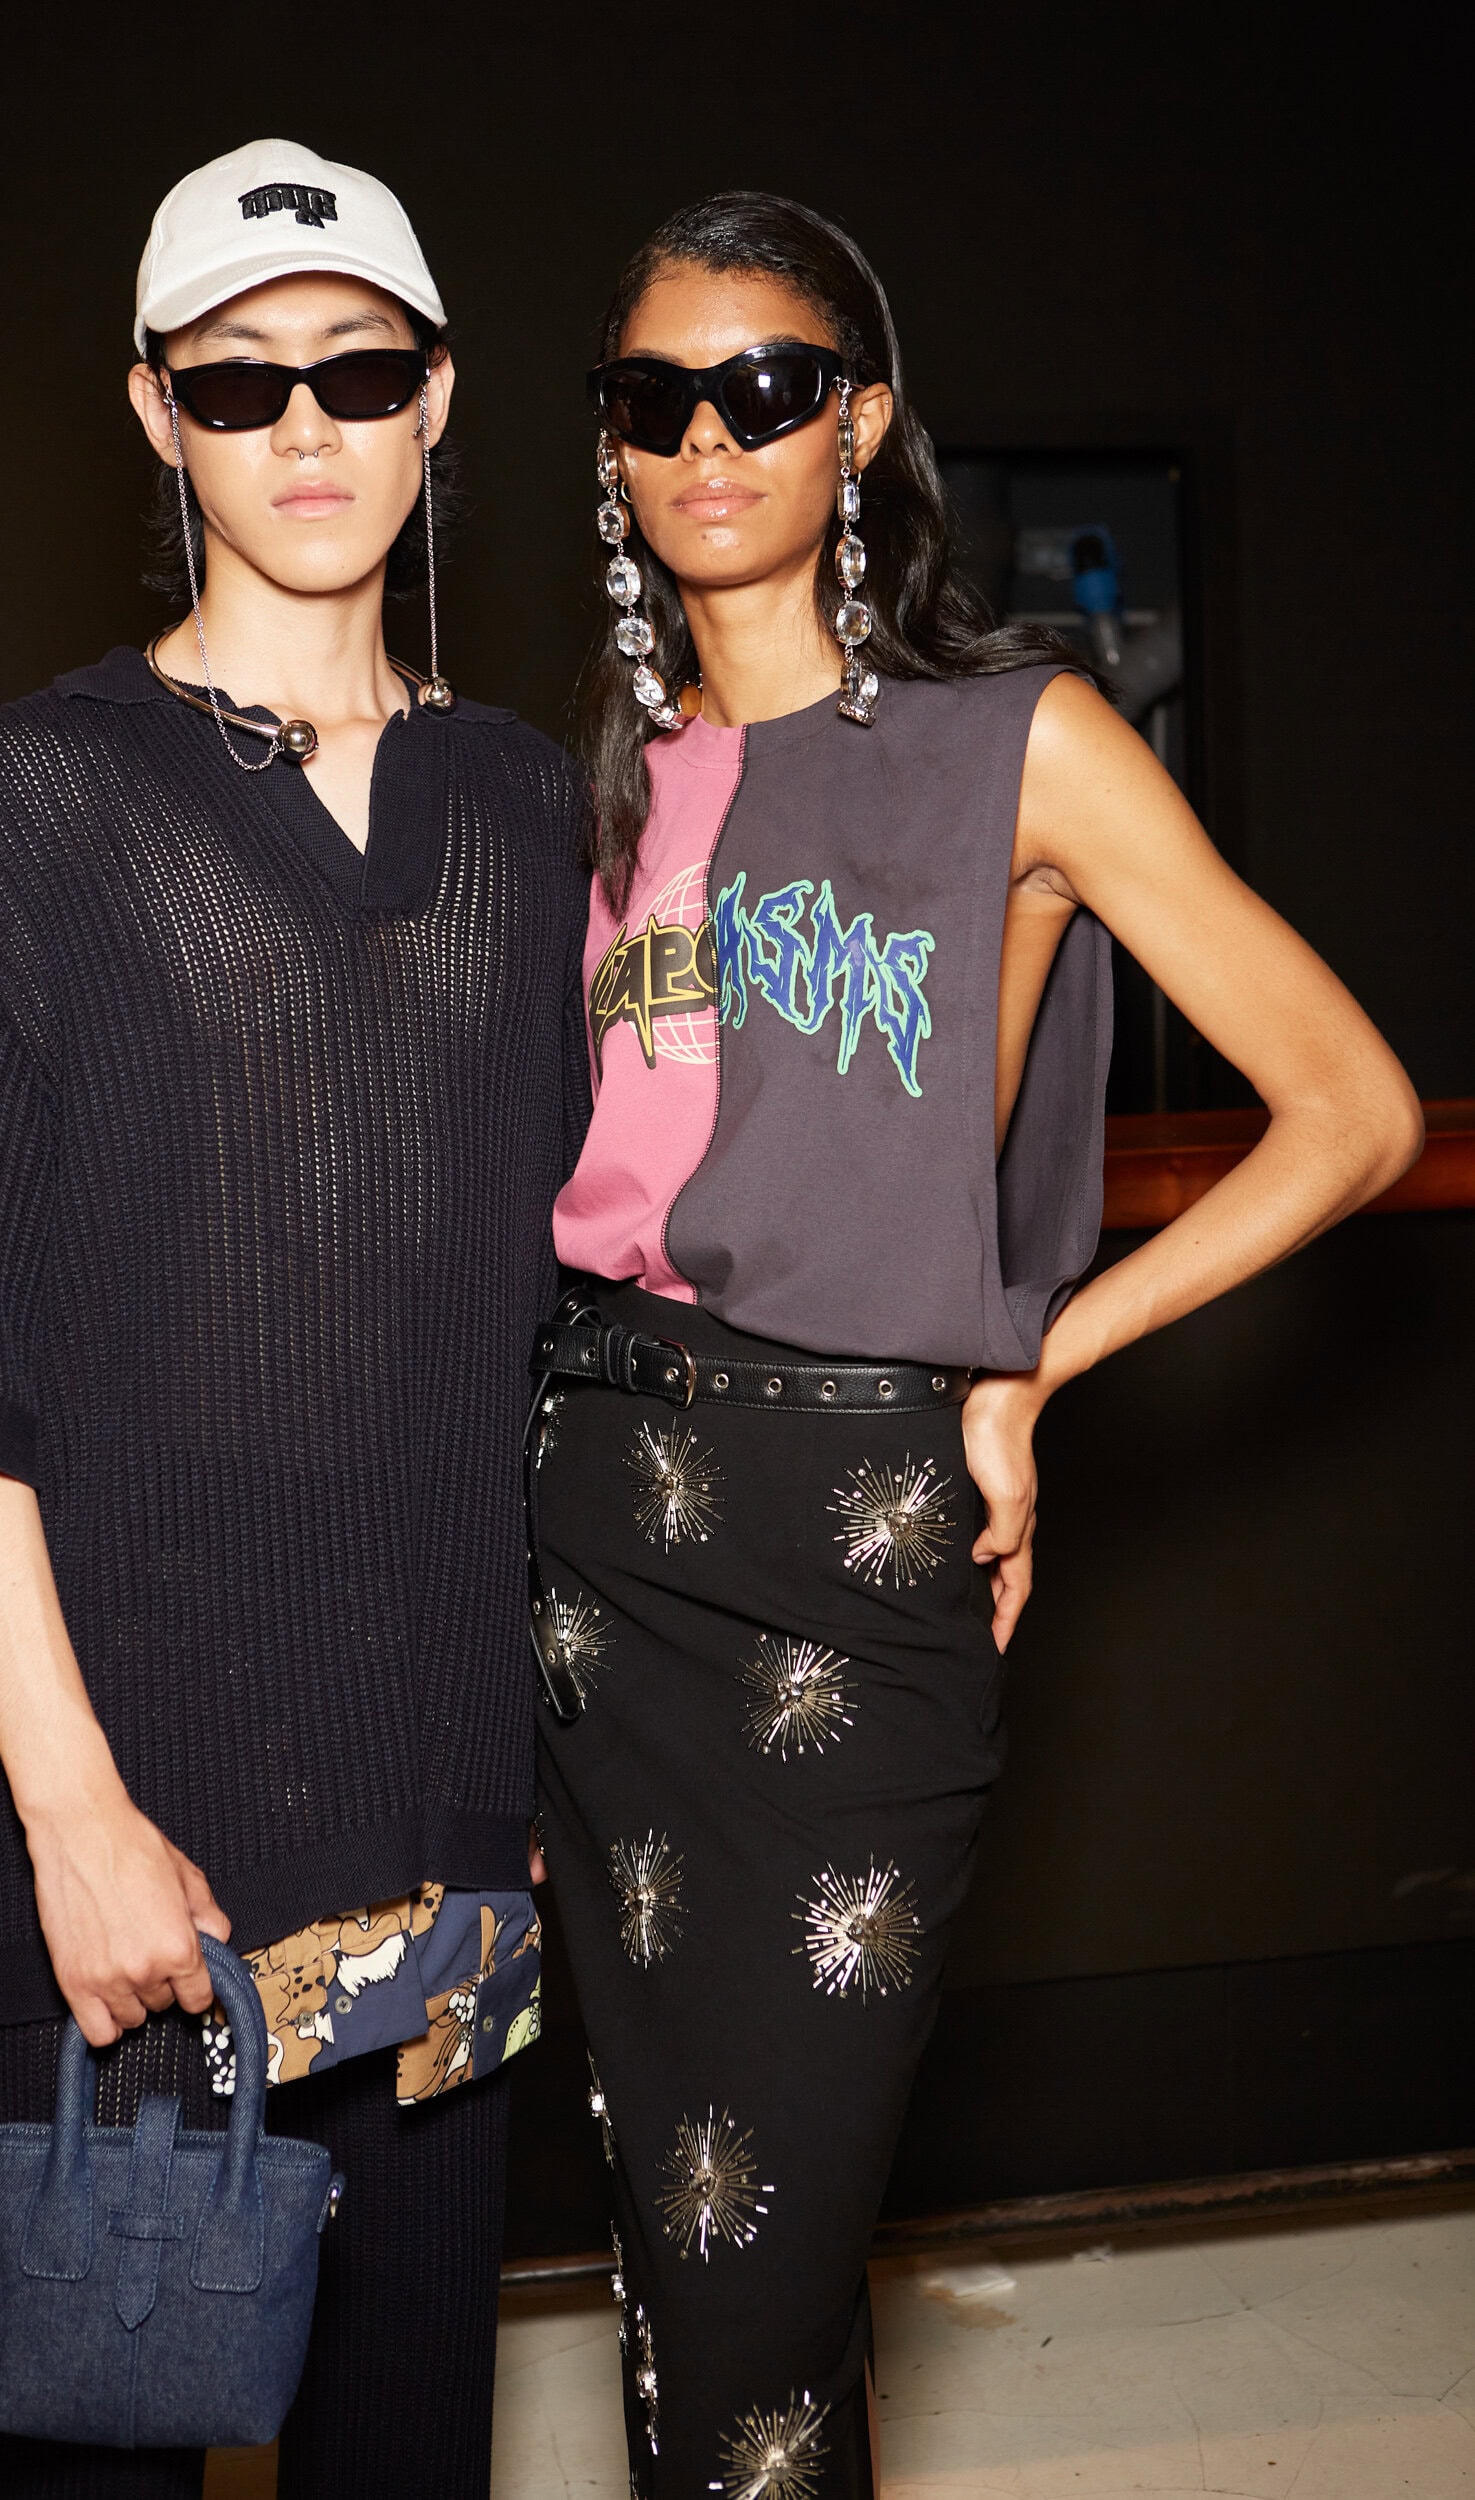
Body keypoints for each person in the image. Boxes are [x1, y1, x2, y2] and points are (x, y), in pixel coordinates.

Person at [529, 192, 1423, 2499]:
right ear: (610, 447)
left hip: (849, 1545)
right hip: (594, 1538)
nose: (709, 438)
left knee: (758, 2247)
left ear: (860, 422)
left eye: (763, 389)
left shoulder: (1020, 743)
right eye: (654, 399)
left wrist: (1042, 1354)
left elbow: (1351, 1108)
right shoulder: (604, 782)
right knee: (681, 2252)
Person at [0, 140, 588, 2498]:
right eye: (241, 379)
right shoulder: (31, 798)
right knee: (104, 2460)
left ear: (438, 392)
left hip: (437, 1805)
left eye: (356, 371)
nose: (305, 427)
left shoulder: (523, 802)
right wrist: (71, 1812)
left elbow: (575, 1298)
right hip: (129, 1832)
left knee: (411, 2453)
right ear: (156, 410)